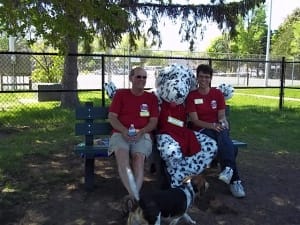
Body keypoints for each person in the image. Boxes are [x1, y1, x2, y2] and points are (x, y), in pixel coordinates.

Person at [186, 64, 246, 198]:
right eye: (201, 76)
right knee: (230, 147)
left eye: (207, 77)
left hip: (217, 129)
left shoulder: (217, 93)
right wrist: (212, 125)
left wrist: (223, 122)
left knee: (222, 133)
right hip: (201, 130)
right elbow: (195, 121)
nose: (203, 80)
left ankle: (230, 173)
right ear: (197, 77)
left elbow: (221, 116)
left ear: (211, 78)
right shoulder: (192, 96)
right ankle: (233, 177)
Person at [108, 67, 159, 209]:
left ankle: (131, 198)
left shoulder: (151, 98)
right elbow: (112, 117)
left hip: (142, 134)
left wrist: (142, 131)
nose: (141, 80)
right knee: (122, 158)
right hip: (120, 133)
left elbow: (153, 122)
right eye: (138, 77)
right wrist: (124, 131)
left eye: (144, 77)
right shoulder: (120, 95)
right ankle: (135, 196)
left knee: (138, 159)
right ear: (131, 78)